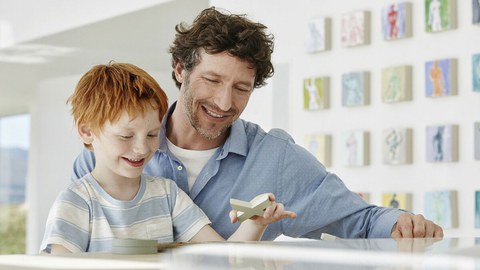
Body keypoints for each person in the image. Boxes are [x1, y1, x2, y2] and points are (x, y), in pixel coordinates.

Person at [72, 7, 443, 240]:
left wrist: (403, 223)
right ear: (180, 69)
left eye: (241, 88)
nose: (224, 102)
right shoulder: (105, 157)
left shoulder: (276, 159)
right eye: (213, 80)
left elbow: (358, 219)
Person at [41, 62, 296, 254]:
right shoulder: (76, 202)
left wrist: (256, 223)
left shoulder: (166, 194)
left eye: (152, 134)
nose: (141, 149)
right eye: (126, 136)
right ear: (87, 132)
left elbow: (223, 258)